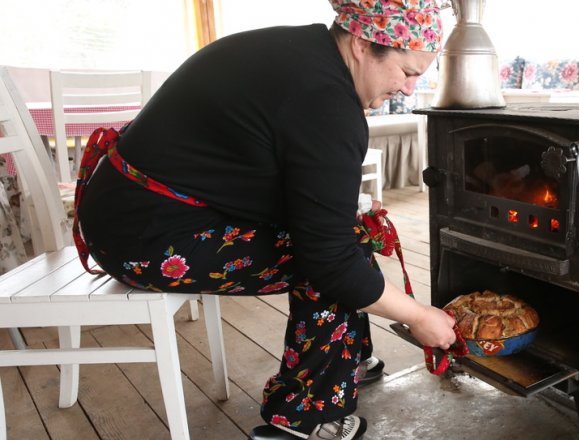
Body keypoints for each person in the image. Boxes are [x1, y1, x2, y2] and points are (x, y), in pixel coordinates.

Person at [73, 1, 455, 439]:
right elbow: (330, 262)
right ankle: (304, 418)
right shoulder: (325, 100)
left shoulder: (303, 48)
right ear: (364, 43)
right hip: (144, 237)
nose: (408, 90)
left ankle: (346, 361)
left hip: (128, 208)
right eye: (407, 73)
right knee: (331, 268)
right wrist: (418, 316)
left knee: (342, 243)